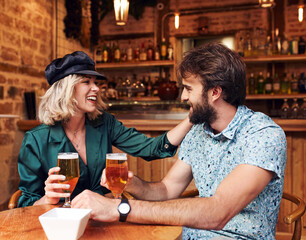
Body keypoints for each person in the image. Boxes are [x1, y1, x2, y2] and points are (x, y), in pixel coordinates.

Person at [71, 43, 287, 239]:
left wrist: (119, 208)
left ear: (215, 92)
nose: (183, 97)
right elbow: (166, 190)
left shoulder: (263, 135)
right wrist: (132, 183)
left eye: (189, 88)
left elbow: (218, 212)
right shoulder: (197, 132)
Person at [17, 51, 192, 207]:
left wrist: (191, 118)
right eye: (86, 82)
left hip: (102, 218)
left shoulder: (104, 123)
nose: (96, 88)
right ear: (66, 90)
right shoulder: (36, 140)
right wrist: (48, 199)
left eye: (95, 82)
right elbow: (25, 204)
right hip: (62, 224)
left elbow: (151, 148)